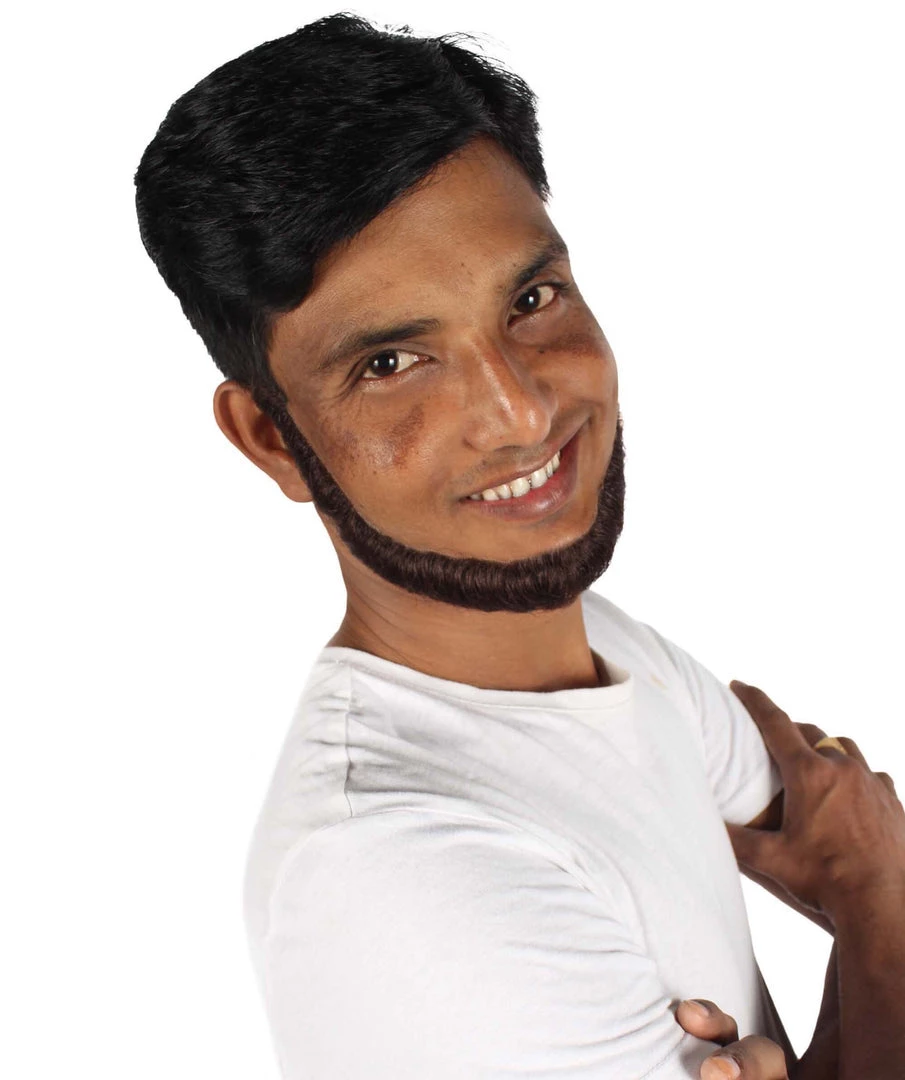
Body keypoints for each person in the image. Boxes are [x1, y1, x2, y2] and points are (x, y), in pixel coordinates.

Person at [134, 14, 905, 1079]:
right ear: (271, 438)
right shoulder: (396, 877)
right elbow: (864, 859)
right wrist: (875, 913)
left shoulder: (610, 652)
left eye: (530, 300)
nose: (519, 411)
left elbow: (838, 832)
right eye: (391, 363)